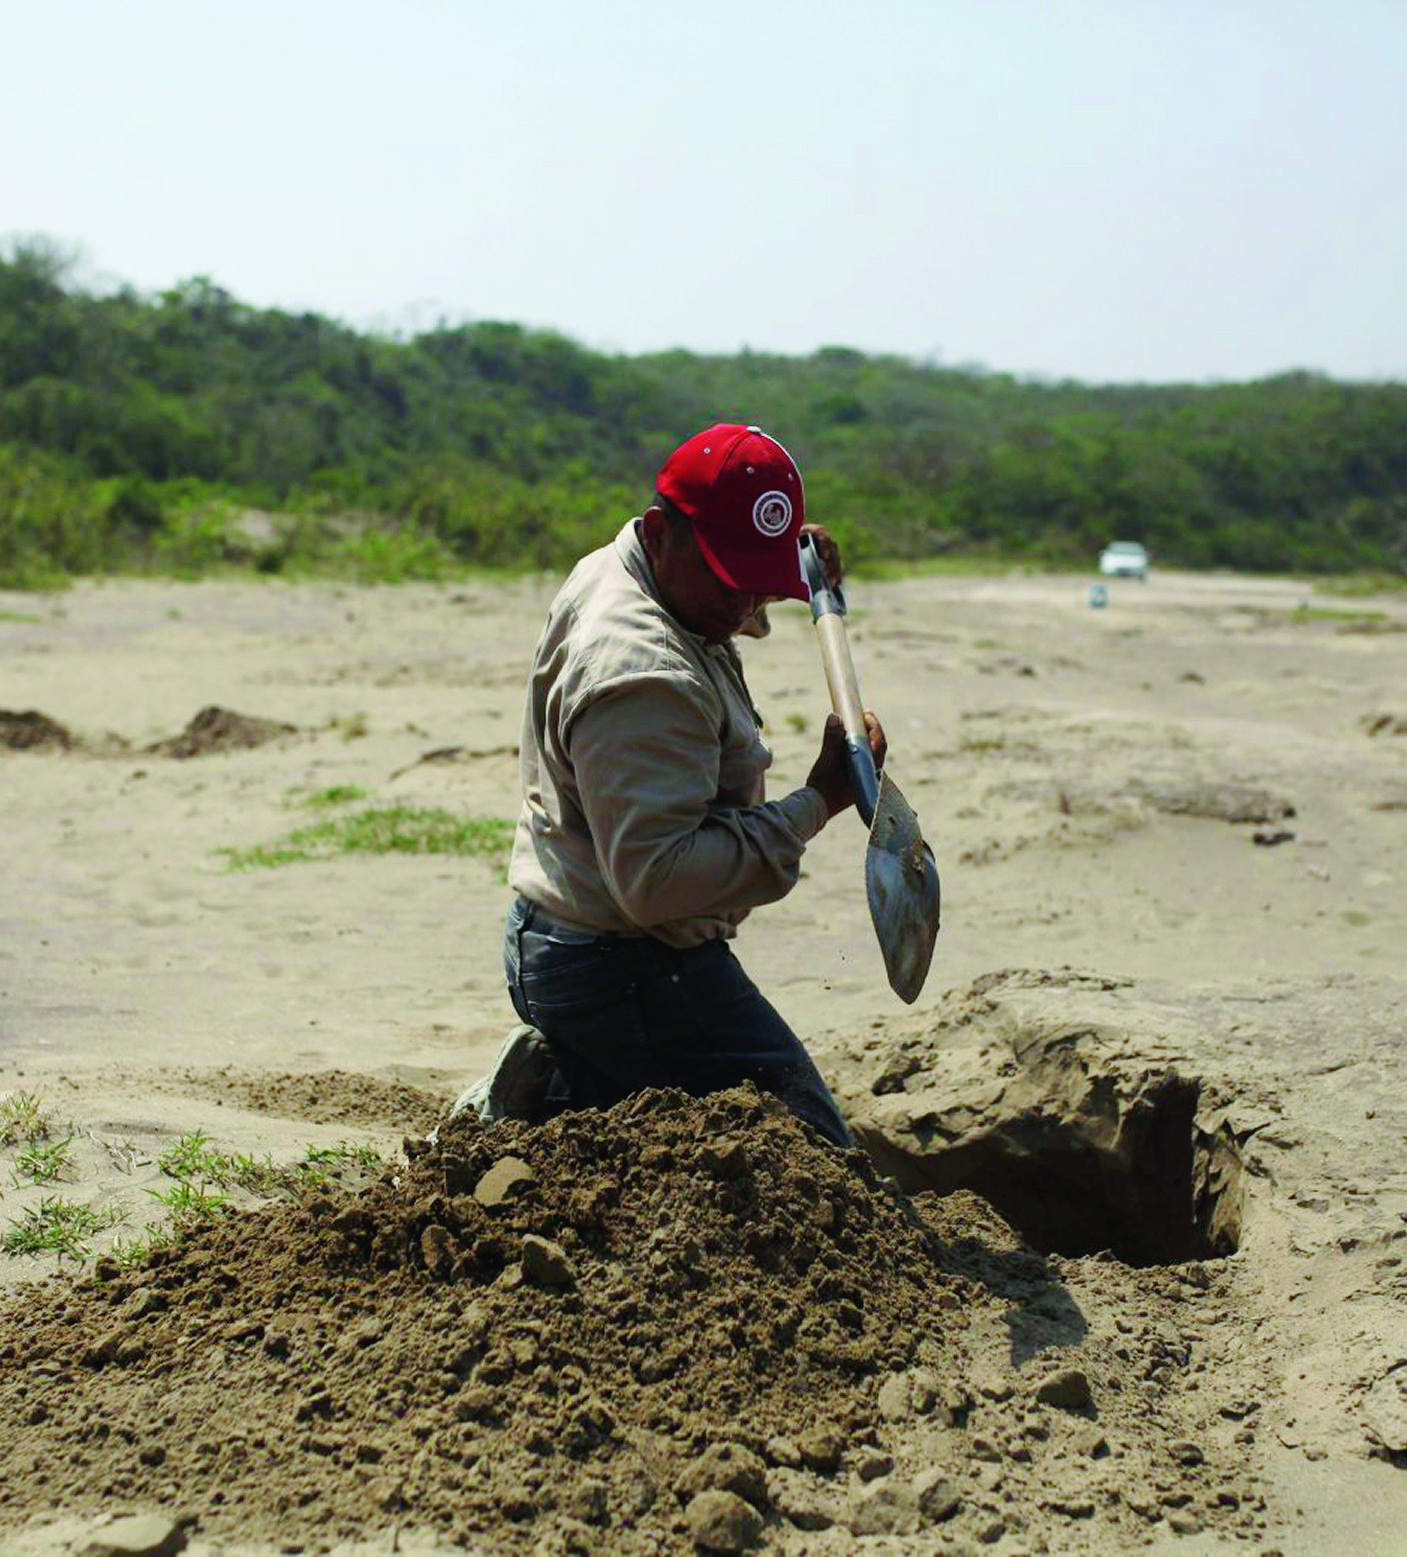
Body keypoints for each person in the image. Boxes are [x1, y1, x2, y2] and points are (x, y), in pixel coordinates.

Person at [466, 424, 886, 1148]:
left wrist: (783, 567)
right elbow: (658, 881)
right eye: (730, 575)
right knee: (807, 1152)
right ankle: (562, 1090)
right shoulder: (640, 673)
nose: (744, 602)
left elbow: (714, 602)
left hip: (575, 937)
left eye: (758, 577)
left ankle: (573, 1088)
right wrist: (817, 801)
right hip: (615, 963)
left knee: (686, 1119)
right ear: (661, 534)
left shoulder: (626, 564)